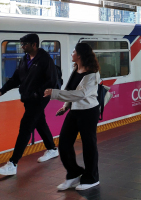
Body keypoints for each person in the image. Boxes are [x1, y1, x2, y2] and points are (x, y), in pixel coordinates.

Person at [44, 42, 100, 191]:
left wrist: (54, 93)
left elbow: (80, 94)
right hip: (75, 111)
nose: (72, 53)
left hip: (88, 111)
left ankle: (92, 178)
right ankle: (74, 173)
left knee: (89, 145)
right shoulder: (76, 69)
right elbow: (71, 90)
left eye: (74, 51)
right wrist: (66, 106)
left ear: (79, 55)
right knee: (64, 143)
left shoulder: (92, 74)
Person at [0, 34, 59, 176]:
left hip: (38, 99)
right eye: (21, 43)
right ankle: (52, 149)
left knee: (25, 128)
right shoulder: (24, 60)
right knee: (40, 122)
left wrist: (37, 94)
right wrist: (2, 90)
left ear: (34, 44)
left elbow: (52, 81)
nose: (22, 46)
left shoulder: (45, 60)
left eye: (25, 44)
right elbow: (15, 78)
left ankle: (13, 163)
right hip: (27, 99)